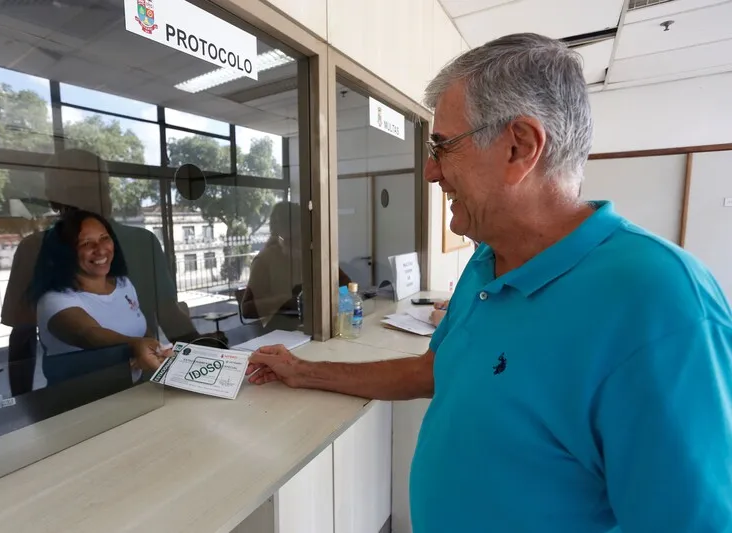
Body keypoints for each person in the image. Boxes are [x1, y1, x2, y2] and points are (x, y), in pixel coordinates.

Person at [246, 33, 732, 532]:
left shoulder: (661, 303)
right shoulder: (486, 263)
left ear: (519, 147)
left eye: (442, 146)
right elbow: (438, 370)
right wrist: (307, 373)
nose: (432, 172)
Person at [1, 149, 199, 394]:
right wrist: (21, 405)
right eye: (79, 191)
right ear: (54, 199)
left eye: (99, 188)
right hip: (79, 398)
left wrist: (207, 360)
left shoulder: (141, 248)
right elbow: (29, 335)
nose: (92, 199)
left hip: (146, 384)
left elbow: (168, 314)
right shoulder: (35, 250)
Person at [28, 209, 171, 379]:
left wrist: (155, 349)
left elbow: (141, 329)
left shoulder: (123, 284)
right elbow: (88, 334)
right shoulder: (54, 299)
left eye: (104, 238)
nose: (101, 250)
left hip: (130, 395)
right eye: (86, 243)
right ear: (65, 253)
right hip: (80, 401)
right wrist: (135, 345)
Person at [242, 201, 351, 330]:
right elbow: (247, 309)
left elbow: (345, 284)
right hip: (280, 332)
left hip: (314, 326)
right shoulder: (264, 260)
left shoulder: (312, 254)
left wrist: (346, 299)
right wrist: (285, 300)